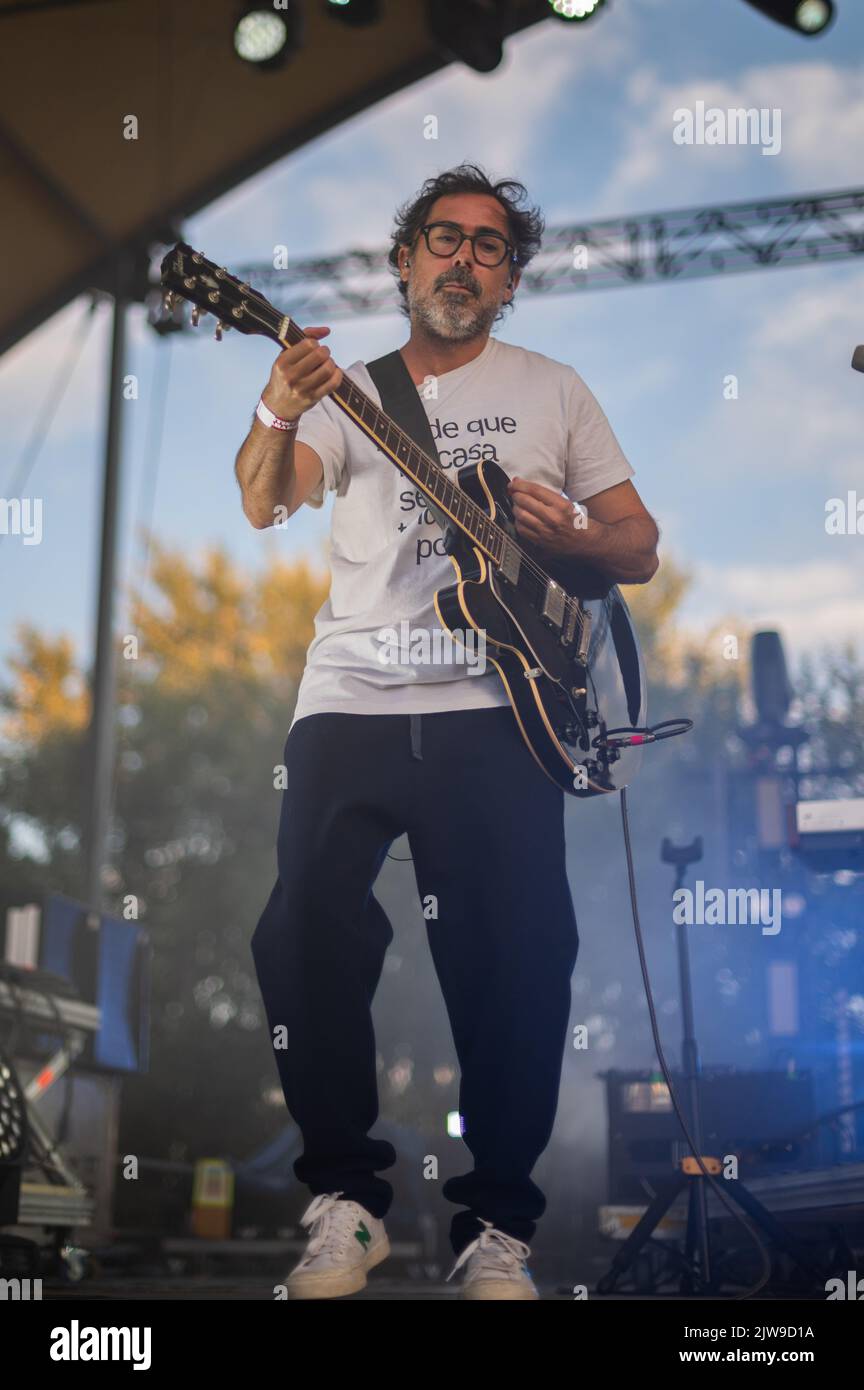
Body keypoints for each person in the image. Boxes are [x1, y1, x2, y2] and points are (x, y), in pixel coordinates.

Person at [235, 164, 659, 1300]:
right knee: (300, 930)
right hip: (352, 699)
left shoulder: (553, 390)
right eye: (442, 237)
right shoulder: (346, 390)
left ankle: (499, 1232)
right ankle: (346, 1203)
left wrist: (569, 526)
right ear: (407, 259)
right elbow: (264, 497)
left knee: (517, 957)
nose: (461, 258)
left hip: (497, 705)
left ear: (508, 276)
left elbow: (637, 546)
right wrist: (280, 402)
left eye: (487, 244)